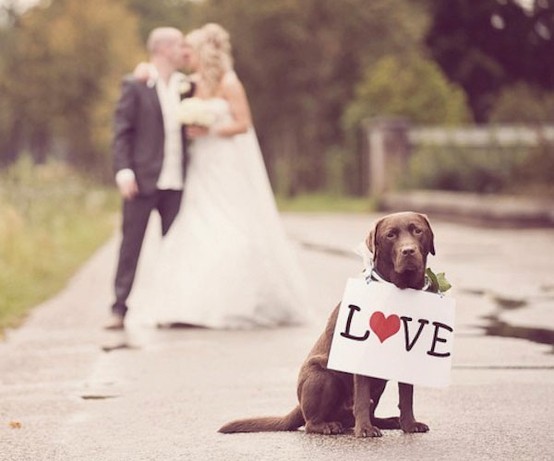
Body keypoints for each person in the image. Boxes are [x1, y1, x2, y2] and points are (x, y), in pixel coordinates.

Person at [126, 23, 310, 329]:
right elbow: (160, 81)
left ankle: (238, 301)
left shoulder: (229, 83)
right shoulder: (189, 83)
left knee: (232, 231)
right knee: (194, 229)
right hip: (199, 168)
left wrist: (210, 129)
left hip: (225, 165)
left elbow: (244, 124)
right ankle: (186, 305)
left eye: (191, 51)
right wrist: (143, 67)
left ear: (204, 53)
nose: (186, 56)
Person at [105, 27, 193, 330]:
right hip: (141, 180)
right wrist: (124, 170)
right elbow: (121, 132)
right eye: (179, 44)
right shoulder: (135, 84)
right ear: (163, 48)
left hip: (178, 182)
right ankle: (118, 309)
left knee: (177, 248)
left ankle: (175, 308)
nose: (184, 49)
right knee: (131, 245)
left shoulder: (186, 86)